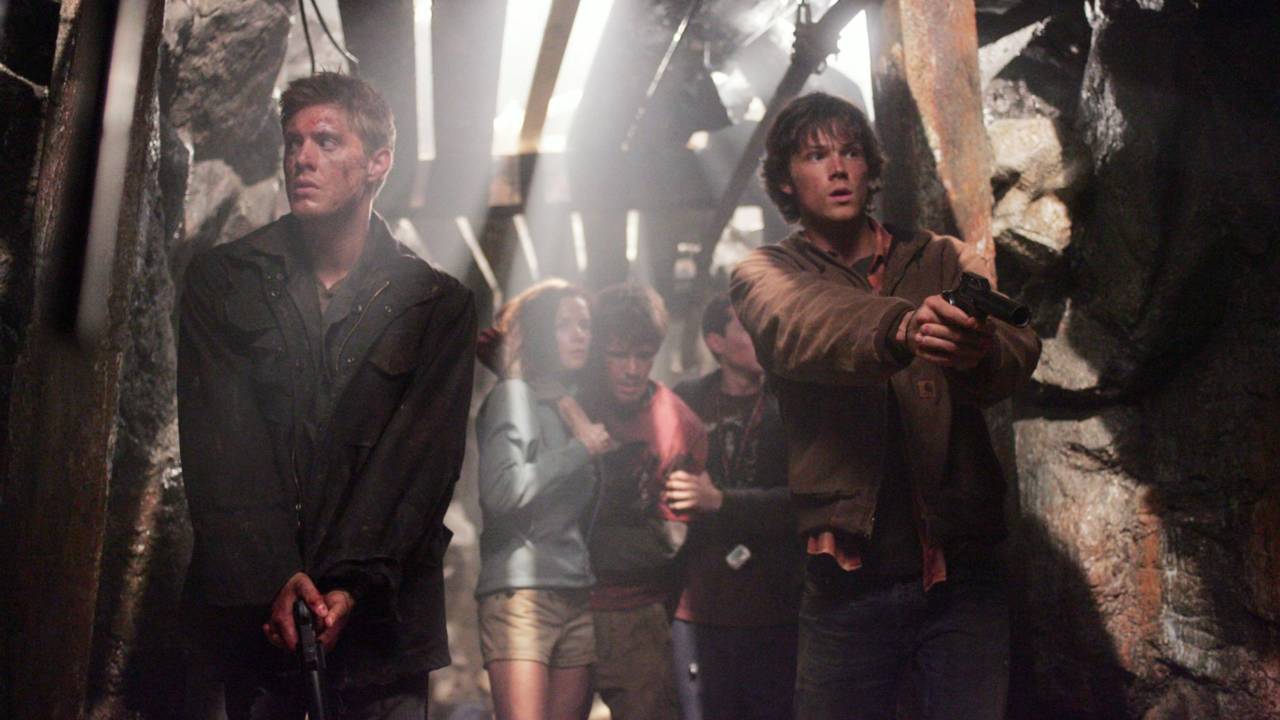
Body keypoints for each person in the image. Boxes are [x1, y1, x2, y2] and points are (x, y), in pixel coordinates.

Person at [730, 91, 1042, 720]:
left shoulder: (942, 256)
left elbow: (1017, 345)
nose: (837, 169)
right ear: (786, 180)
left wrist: (978, 348)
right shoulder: (766, 271)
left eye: (850, 152)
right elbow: (799, 320)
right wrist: (901, 328)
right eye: (815, 156)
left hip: (962, 569)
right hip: (848, 580)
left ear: (871, 167)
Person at [177, 72, 476, 719]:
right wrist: (279, 578)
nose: (302, 158)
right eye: (293, 142)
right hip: (259, 618)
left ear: (377, 164)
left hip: (381, 625)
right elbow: (221, 447)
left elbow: (418, 466)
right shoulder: (223, 281)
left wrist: (349, 586)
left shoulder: (437, 306)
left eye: (326, 141)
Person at [473, 279, 609, 720]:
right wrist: (578, 451)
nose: (579, 335)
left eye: (585, 325)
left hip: (575, 591)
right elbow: (502, 491)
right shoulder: (513, 396)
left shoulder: (565, 405)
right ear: (539, 332)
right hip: (523, 597)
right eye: (564, 324)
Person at [666, 294, 801, 720]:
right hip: (699, 603)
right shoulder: (687, 398)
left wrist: (721, 502)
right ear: (716, 342)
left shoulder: (789, 403)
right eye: (746, 326)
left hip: (772, 604)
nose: (761, 335)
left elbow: (803, 502)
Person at [576, 283, 706, 720]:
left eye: (644, 355)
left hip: (635, 612)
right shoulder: (570, 399)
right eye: (618, 354)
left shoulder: (679, 424)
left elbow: (670, 542)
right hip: (564, 607)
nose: (632, 369)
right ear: (598, 350)